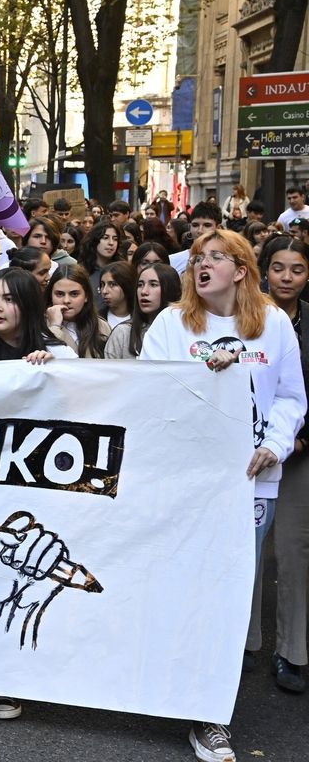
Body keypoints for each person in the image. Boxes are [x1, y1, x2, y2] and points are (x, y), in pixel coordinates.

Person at [140, 230, 306, 762]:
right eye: (197, 259)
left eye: (216, 257)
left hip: (251, 482)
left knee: (231, 594)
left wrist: (276, 446)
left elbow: (289, 397)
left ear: (240, 269)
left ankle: (211, 714)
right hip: (185, 482)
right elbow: (146, 393)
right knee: (184, 583)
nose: (202, 265)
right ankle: (171, 690)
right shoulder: (170, 324)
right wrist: (198, 379)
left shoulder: (274, 324)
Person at [253, 235, 309, 694]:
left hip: (302, 453)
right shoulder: (246, 320)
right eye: (278, 268)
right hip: (247, 456)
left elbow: (295, 393)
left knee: (293, 553)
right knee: (245, 549)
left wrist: (295, 438)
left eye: (296, 269)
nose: (286, 277)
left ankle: (292, 651)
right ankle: (246, 642)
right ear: (262, 270)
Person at [104, 263, 181, 359]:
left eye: (153, 284)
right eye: (140, 285)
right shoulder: (123, 333)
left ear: (170, 289)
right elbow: (108, 373)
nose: (144, 291)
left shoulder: (184, 332)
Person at [45, 266, 109, 358]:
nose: (66, 300)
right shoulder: (39, 325)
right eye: (59, 294)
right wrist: (54, 326)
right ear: (50, 295)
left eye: (74, 294)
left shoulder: (101, 326)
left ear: (86, 296)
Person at [77, 221, 122, 308]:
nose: (111, 243)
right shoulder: (81, 271)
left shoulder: (122, 270)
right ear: (94, 241)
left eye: (115, 239)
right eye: (105, 238)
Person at [97, 260, 137, 330]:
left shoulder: (141, 319)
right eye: (102, 284)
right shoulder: (97, 320)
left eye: (112, 284)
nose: (104, 291)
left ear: (127, 286)